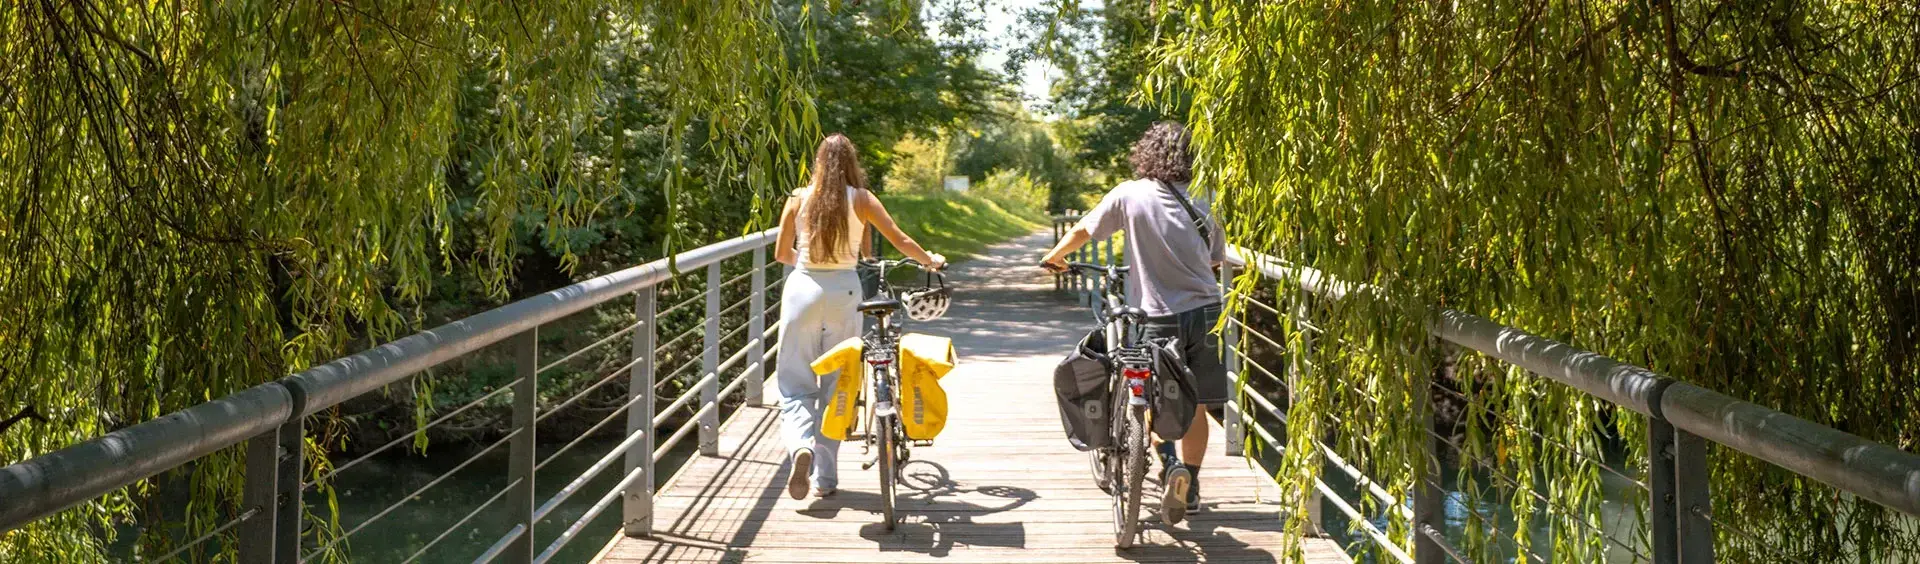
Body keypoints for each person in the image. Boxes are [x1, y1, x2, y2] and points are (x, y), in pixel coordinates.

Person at [1038, 121, 1227, 525]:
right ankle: (1189, 483)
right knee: (1196, 404)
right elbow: (1215, 258)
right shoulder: (1207, 196)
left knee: (1155, 396)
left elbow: (1082, 230)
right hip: (1208, 312)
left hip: (1156, 316)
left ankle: (1167, 461)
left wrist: (1055, 257)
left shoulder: (1129, 194)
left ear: (1147, 153)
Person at [774, 133, 946, 500]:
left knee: (794, 385)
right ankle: (824, 479)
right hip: (845, 291)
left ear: (818, 162)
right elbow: (899, 240)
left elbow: (781, 253)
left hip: (802, 289)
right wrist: (928, 259)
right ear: (852, 162)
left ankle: (800, 445)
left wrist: (808, 262)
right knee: (837, 386)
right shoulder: (863, 200)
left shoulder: (797, 198)